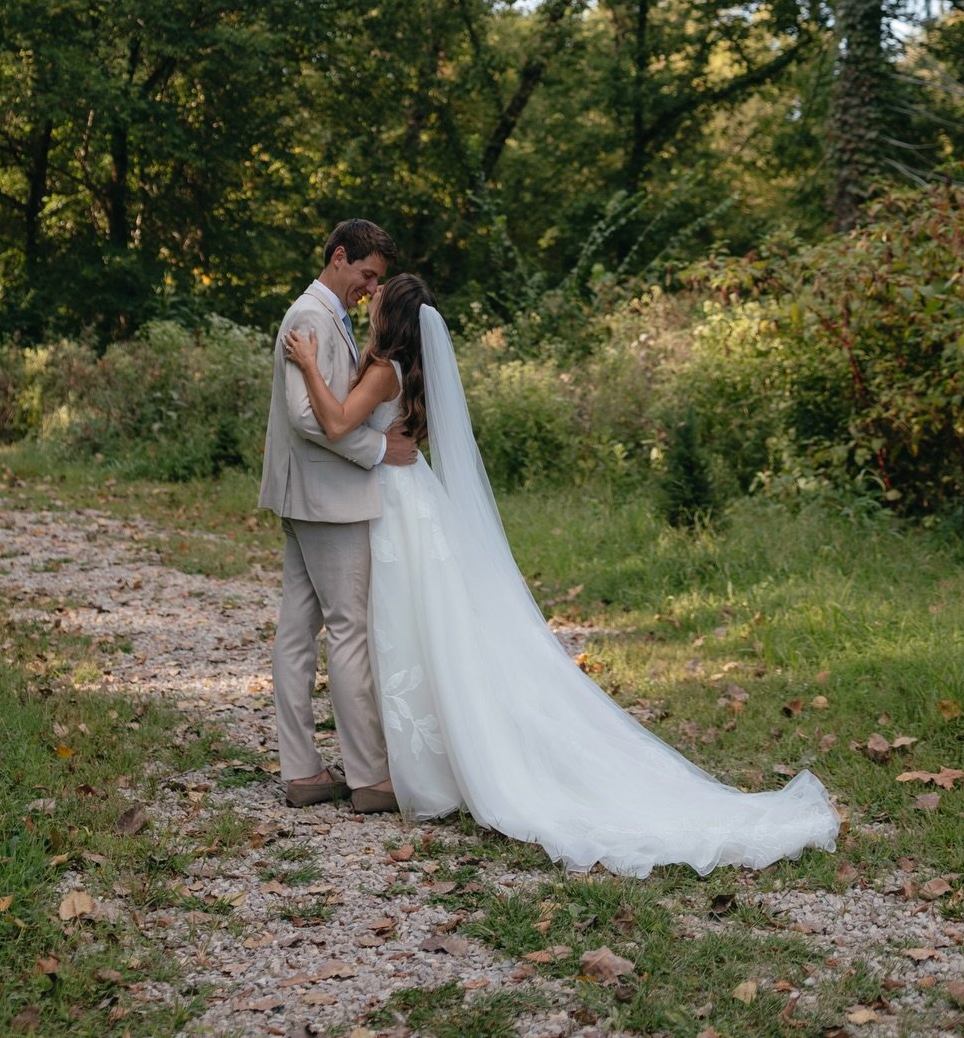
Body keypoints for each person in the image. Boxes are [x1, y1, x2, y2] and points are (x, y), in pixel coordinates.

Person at [284, 274, 840, 877]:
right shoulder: (403, 371)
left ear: (388, 317)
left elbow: (337, 423)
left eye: (377, 296)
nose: (367, 302)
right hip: (409, 500)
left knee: (401, 626)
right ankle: (401, 760)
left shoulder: (384, 370)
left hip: (393, 505)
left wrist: (310, 365)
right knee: (421, 627)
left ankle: (411, 766)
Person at [257, 218, 419, 814]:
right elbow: (308, 416)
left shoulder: (327, 316)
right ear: (340, 256)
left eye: (378, 281)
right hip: (328, 498)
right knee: (349, 629)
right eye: (368, 275)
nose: (372, 289)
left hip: (313, 495)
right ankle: (370, 778)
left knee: (299, 627)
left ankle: (303, 772)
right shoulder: (310, 316)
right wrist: (378, 451)